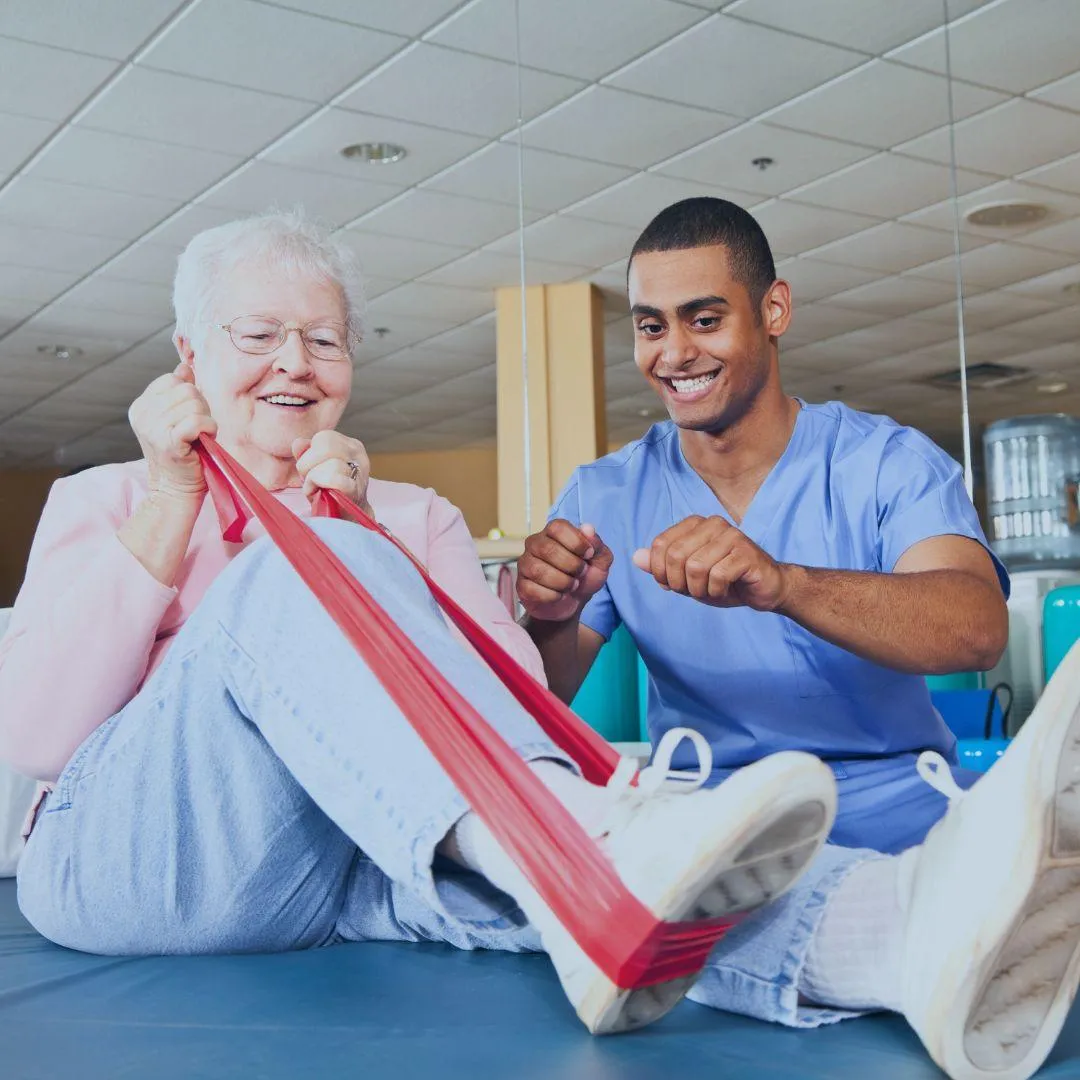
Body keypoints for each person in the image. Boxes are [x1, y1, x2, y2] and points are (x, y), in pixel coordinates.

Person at [3, 209, 1079, 1080]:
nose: (296, 363)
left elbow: (512, 724)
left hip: (330, 868)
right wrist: (178, 502)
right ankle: (600, 847)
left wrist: (364, 534)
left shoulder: (409, 515)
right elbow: (43, 740)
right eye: (257, 336)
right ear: (190, 357)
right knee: (308, 574)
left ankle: (892, 936)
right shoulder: (110, 499)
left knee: (560, 882)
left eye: (324, 339)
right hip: (133, 859)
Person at [517, 196, 1011, 855]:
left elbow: (976, 631)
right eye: (651, 327)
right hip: (704, 828)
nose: (676, 353)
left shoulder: (887, 462)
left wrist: (782, 583)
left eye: (704, 319)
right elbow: (533, 704)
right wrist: (549, 617)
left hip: (896, 811)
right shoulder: (603, 493)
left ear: (772, 310)